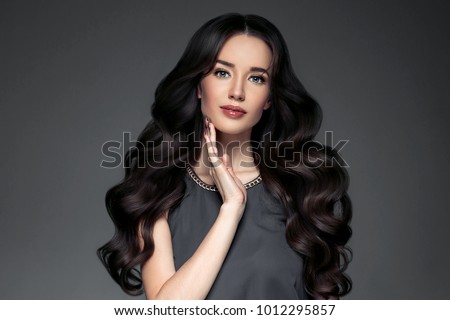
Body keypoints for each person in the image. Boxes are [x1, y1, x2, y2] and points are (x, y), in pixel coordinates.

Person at [97, 13, 352, 300]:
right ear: (198, 85)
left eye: (256, 78)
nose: (237, 92)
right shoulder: (158, 189)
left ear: (269, 98)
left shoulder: (301, 188)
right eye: (222, 72)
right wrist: (231, 208)